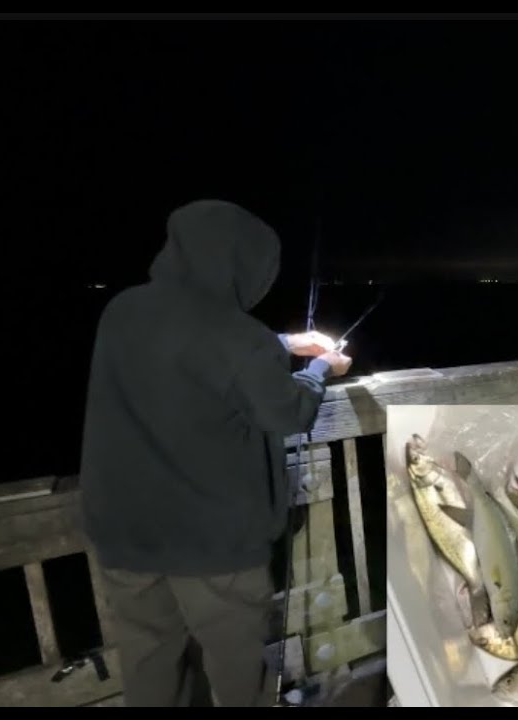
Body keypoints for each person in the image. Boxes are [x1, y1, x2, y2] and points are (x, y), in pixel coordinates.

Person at [78, 199, 353, 707]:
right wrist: (320, 370)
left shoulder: (123, 311)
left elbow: (191, 347)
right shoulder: (238, 336)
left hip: (126, 537)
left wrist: (288, 341)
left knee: (149, 663)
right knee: (236, 673)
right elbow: (288, 413)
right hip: (215, 548)